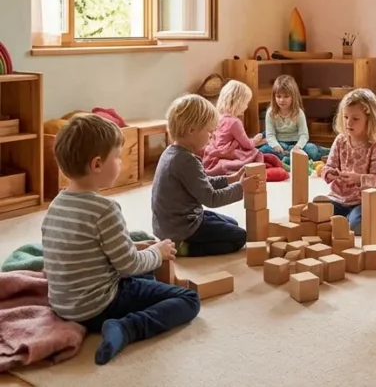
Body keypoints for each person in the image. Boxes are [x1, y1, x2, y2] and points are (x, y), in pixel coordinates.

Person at [42, 114, 198, 365]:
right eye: (116, 156)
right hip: (100, 305)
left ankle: (119, 320)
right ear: (96, 165)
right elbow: (129, 266)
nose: (119, 160)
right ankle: (127, 327)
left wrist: (136, 249)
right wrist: (158, 252)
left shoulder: (56, 205)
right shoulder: (105, 209)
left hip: (63, 307)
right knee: (188, 299)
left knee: (144, 274)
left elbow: (77, 252)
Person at [152, 95, 260, 256]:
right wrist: (241, 188)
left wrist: (231, 178)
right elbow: (211, 198)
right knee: (239, 236)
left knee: (232, 223)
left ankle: (181, 241)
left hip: (173, 223)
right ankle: (183, 248)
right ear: (191, 130)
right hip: (181, 228)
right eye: (210, 132)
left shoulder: (172, 152)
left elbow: (202, 182)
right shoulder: (186, 161)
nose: (212, 137)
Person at [318, 89, 376, 236]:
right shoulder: (340, 140)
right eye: (345, 117)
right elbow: (329, 166)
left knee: (357, 226)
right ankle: (344, 219)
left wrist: (359, 179)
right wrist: (329, 173)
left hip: (363, 201)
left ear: (369, 120)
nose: (348, 123)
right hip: (338, 198)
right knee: (316, 212)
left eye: (355, 119)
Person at [202, 80, 286, 179]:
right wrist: (256, 140)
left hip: (212, 156)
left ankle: (283, 162)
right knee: (258, 153)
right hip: (229, 154)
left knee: (265, 147)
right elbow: (248, 145)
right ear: (238, 102)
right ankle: (281, 167)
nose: (246, 107)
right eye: (246, 103)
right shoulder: (235, 122)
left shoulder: (218, 117)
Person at [258, 74, 328, 173]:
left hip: (296, 144)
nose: (282, 100)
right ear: (274, 97)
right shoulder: (270, 112)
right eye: (278, 96)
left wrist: (298, 147)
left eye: (286, 96)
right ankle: (290, 160)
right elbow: (270, 135)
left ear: (293, 97)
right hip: (280, 145)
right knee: (262, 151)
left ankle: (287, 160)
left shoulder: (298, 113)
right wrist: (276, 146)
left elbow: (304, 135)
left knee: (311, 149)